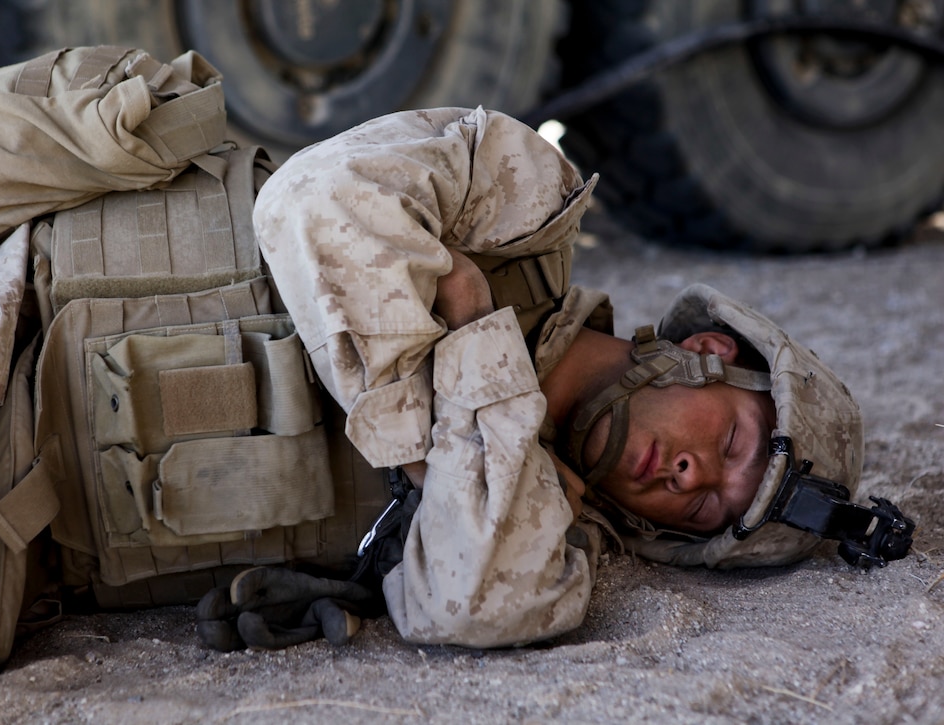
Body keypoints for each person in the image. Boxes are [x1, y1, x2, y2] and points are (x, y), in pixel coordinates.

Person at [250, 105, 872, 647]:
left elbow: (479, 607)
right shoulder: (526, 216)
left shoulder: (556, 530)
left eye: (708, 508)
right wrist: (436, 463)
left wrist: (446, 447)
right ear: (709, 352)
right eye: (733, 442)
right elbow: (312, 194)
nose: (692, 475)